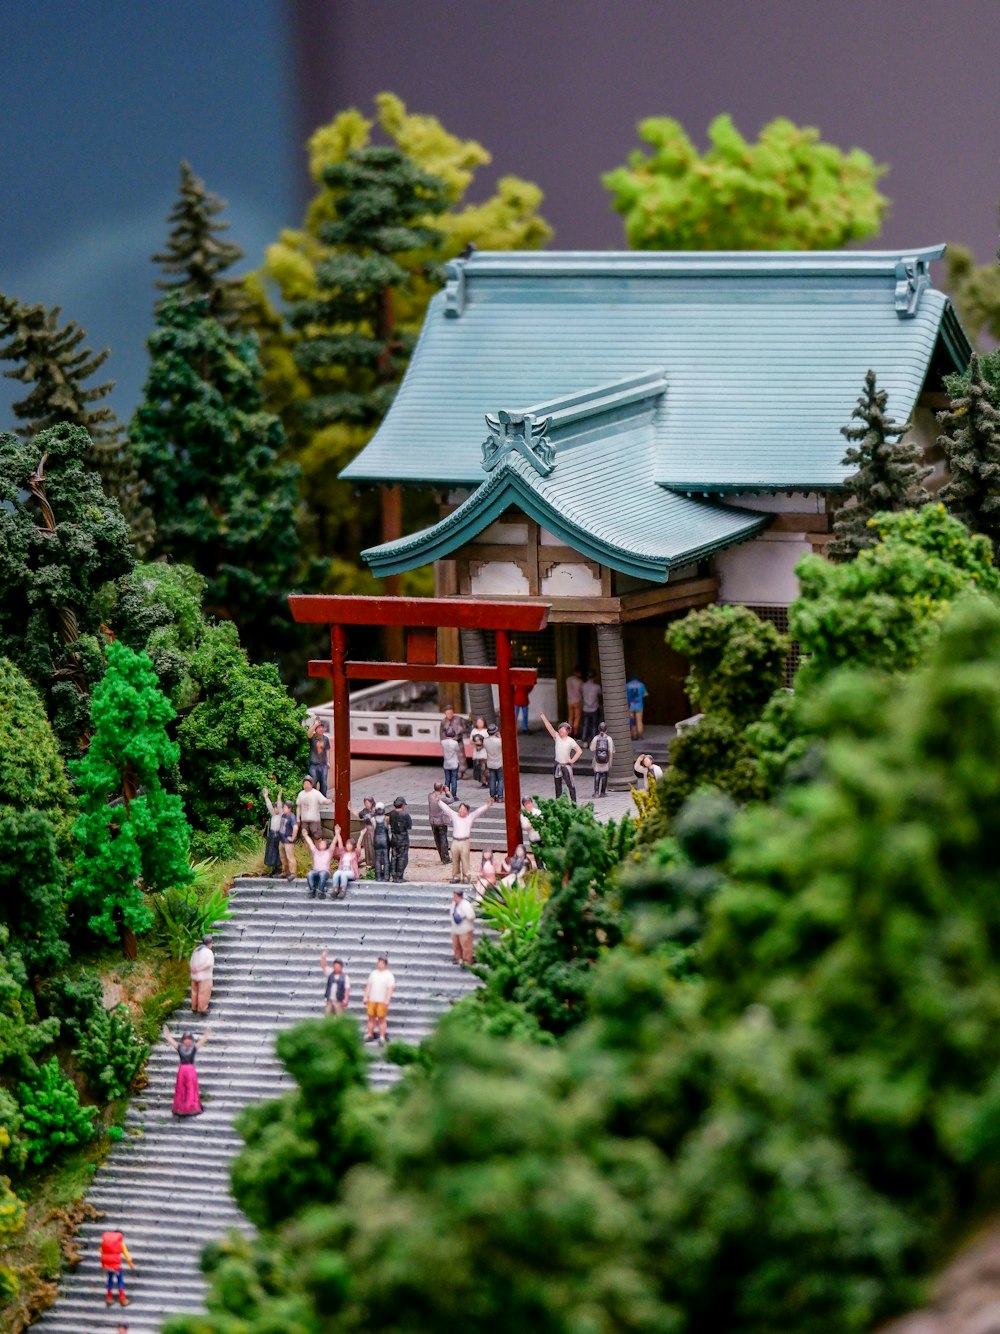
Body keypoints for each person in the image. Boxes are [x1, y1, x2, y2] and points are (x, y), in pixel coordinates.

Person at [438, 797, 495, 883]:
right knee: (455, 860)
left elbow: (478, 811)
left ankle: (466, 877)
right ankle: (456, 876)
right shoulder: (454, 815)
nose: (461, 810)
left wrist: (487, 806)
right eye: (460, 809)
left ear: (467, 811)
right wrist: (438, 801)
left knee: (465, 860)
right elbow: (447, 809)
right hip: (455, 841)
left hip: (464, 841)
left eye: (463, 809)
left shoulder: (470, 817)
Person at [162, 1025, 209, 1116]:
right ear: (183, 1040)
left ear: (191, 1040)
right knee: (181, 1088)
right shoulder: (180, 1047)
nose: (187, 1041)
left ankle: (191, 1106)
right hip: (182, 1070)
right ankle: (181, 1107)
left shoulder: (194, 1047)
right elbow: (171, 1041)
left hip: (190, 1070)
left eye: (189, 1039)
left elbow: (203, 1040)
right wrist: (167, 1035)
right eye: (185, 1039)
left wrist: (206, 1035)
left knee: (191, 1088)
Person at [539, 712, 583, 804]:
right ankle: (558, 802)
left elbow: (579, 751)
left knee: (570, 785)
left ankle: (573, 802)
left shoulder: (570, 741)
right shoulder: (557, 737)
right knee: (557, 785)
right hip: (557, 764)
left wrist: (572, 760)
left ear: (567, 731)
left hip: (566, 765)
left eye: (563, 729)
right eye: (560, 729)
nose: (561, 731)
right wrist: (544, 718)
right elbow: (550, 728)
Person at [363, 954, 396, 1046]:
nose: (379, 964)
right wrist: (366, 996)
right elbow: (369, 986)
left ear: (385, 964)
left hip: (382, 1000)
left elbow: (390, 988)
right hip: (372, 1000)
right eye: (378, 962)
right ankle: (370, 1034)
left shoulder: (389, 975)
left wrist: (387, 999)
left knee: (381, 1019)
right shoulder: (373, 973)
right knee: (371, 1018)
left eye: (381, 962)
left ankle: (382, 1036)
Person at [100, 1230, 136, 1307]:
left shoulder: (105, 1243)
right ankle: (122, 1299)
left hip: (108, 1265)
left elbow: (101, 1251)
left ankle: (109, 1298)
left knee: (110, 1280)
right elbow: (127, 1256)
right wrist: (131, 1265)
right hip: (116, 1266)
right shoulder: (121, 1244)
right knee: (120, 1280)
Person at [303, 826, 338, 898]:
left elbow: (334, 843)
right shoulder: (315, 852)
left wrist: (337, 834)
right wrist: (305, 835)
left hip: (324, 871)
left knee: (322, 875)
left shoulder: (329, 852)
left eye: (323, 843)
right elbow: (311, 843)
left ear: (326, 845)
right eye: (320, 843)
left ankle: (320, 891)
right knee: (309, 874)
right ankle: (312, 890)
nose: (321, 844)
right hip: (315, 871)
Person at [439, 704, 468, 779]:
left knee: (461, 757)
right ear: (445, 713)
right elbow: (441, 733)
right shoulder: (443, 722)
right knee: (452, 758)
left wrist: (463, 734)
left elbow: (466, 727)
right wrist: (443, 742)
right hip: (449, 743)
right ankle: (455, 772)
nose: (450, 715)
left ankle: (463, 772)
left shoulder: (459, 719)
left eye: (451, 713)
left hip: (458, 741)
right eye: (448, 713)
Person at [273, 795, 297, 880]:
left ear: (289, 808)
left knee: (290, 857)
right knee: (283, 857)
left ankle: (293, 873)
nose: (283, 808)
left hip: (288, 840)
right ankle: (285, 872)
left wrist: (293, 837)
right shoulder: (284, 815)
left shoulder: (291, 816)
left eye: (285, 807)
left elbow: (295, 827)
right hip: (282, 839)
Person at [449, 888, 476, 965]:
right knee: (456, 945)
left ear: (459, 896)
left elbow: (471, 916)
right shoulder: (454, 904)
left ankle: (467, 960)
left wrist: (463, 916)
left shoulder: (466, 905)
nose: (453, 898)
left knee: (466, 946)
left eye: (455, 896)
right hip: (455, 929)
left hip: (465, 930)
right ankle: (458, 958)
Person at [388, 796, 412, 882]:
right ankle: (399, 876)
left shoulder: (391, 813)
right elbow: (409, 826)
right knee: (402, 857)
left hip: (394, 837)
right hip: (403, 837)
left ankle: (394, 875)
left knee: (394, 856)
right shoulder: (405, 814)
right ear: (402, 805)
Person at [320, 950, 351, 1016]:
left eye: (338, 966)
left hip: (339, 1001)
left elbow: (347, 989)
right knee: (328, 1017)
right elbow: (324, 966)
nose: (336, 968)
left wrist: (346, 999)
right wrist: (323, 957)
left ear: (341, 967)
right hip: (330, 1000)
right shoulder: (330, 973)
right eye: (335, 966)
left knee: (340, 1017)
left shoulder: (345, 977)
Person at [428, 782, 453, 864]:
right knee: (443, 839)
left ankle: (442, 857)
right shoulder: (442, 797)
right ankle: (446, 858)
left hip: (432, 820)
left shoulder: (430, 796)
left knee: (437, 839)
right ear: (441, 788)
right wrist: (447, 792)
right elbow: (451, 800)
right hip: (441, 821)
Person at [589, 721, 615, 798]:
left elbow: (592, 748)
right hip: (606, 760)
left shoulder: (596, 738)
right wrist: (610, 762)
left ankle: (596, 792)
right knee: (605, 775)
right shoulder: (609, 739)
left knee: (597, 774)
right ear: (606, 729)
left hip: (597, 760)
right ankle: (603, 792)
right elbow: (611, 751)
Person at [189, 935, 214, 1015]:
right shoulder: (208, 952)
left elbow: (191, 961)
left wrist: (193, 969)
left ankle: (194, 1007)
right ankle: (202, 1009)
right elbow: (208, 964)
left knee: (194, 992)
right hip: (205, 976)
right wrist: (199, 969)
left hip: (194, 976)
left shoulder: (196, 950)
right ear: (210, 943)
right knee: (204, 993)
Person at [261, 784, 283, 874]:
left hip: (278, 836)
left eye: (276, 807)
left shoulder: (281, 815)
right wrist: (266, 797)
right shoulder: (273, 815)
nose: (275, 808)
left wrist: (279, 798)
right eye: (274, 807)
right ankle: (273, 868)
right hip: (272, 835)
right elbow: (269, 806)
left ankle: (278, 869)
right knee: (271, 852)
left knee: (278, 853)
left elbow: (280, 806)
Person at [295, 775, 323, 842]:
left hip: (314, 819)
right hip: (304, 819)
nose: (306, 785)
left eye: (308, 783)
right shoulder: (301, 794)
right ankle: (308, 851)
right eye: (305, 783)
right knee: (304, 836)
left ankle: (318, 851)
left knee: (317, 836)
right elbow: (299, 807)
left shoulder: (316, 794)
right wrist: (298, 818)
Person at [307, 718, 331, 795]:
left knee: (323, 782)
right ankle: (314, 796)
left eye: (322, 728)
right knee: (313, 781)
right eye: (319, 728)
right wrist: (315, 724)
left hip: (323, 764)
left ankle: (323, 797)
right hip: (314, 764)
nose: (321, 729)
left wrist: (328, 761)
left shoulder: (325, 739)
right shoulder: (313, 737)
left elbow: (327, 750)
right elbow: (308, 734)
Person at [581, 670, 602, 743]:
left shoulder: (583, 686)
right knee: (594, 725)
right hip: (594, 708)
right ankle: (593, 740)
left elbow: (581, 694)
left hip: (585, 708)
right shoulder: (597, 687)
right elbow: (600, 694)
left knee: (585, 725)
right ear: (594, 677)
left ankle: (584, 740)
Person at [520, 796, 543, 863]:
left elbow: (542, 822)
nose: (528, 805)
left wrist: (532, 822)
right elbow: (525, 826)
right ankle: (540, 868)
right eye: (526, 803)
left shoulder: (538, 811)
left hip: (541, 836)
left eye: (529, 803)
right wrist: (534, 822)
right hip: (533, 837)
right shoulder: (523, 815)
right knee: (537, 855)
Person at [356, 795, 377, 870]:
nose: (366, 804)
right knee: (367, 846)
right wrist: (351, 810)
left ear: (371, 802)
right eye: (365, 803)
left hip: (373, 829)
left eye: (367, 803)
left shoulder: (376, 810)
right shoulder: (364, 811)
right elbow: (359, 815)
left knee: (373, 845)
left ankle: (375, 862)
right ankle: (369, 862)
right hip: (366, 829)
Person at [484, 722, 504, 800]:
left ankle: (492, 796)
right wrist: (499, 736)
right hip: (499, 763)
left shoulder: (485, 741)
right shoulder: (499, 741)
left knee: (492, 780)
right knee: (500, 780)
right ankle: (500, 796)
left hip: (490, 763)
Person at [372, 802, 390, 881]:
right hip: (385, 839)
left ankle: (378, 877)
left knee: (377, 858)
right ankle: (386, 876)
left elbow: (374, 828)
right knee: (386, 858)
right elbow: (388, 827)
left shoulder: (373, 819)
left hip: (377, 839)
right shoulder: (386, 818)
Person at [441, 732, 462, 800]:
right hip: (454, 762)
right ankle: (454, 795)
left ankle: (447, 794)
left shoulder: (443, 742)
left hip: (446, 763)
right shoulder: (455, 743)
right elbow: (458, 750)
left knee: (447, 780)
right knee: (453, 779)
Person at [469, 716, 489, 786]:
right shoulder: (474, 730)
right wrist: (476, 743)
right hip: (477, 752)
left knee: (485, 768)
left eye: (481, 722)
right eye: (478, 722)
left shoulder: (486, 731)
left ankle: (486, 781)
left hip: (484, 752)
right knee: (479, 768)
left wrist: (482, 743)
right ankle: (482, 781)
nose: (480, 724)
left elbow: (488, 741)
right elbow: (470, 741)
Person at [565, 665, 584, 736]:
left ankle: (569, 732)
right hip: (577, 701)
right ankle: (575, 733)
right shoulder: (580, 681)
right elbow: (581, 691)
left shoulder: (568, 679)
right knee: (577, 717)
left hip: (569, 701)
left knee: (570, 716)